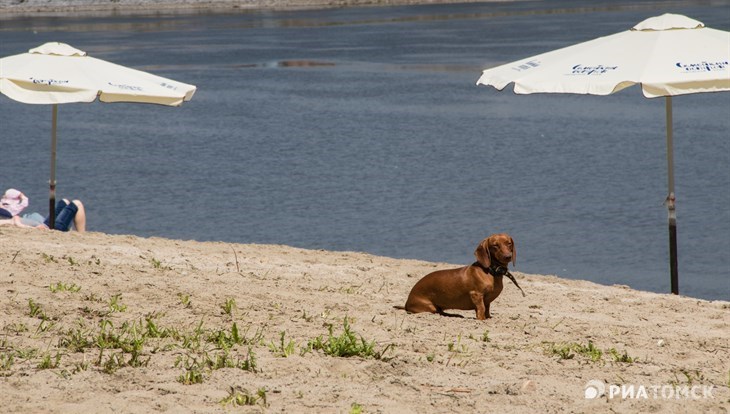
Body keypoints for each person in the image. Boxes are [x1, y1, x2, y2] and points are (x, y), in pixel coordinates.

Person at [0, 188, 86, 232]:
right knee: (77, 203)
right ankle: (81, 235)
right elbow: (15, 223)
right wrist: (33, 228)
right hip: (48, 228)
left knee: (64, 201)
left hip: (46, 224)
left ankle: (72, 231)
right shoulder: (11, 218)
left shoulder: (6, 213)